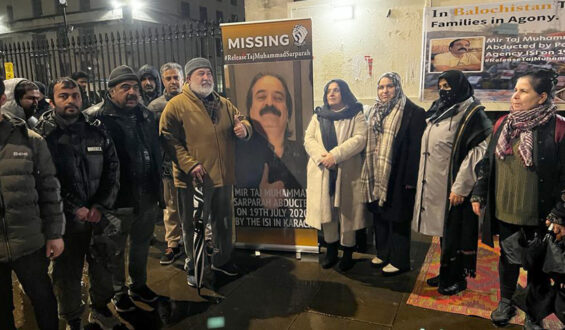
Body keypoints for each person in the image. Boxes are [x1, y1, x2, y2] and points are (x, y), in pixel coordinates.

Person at [471, 69, 565, 328]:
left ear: (542, 97)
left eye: (523, 91)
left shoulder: (558, 127)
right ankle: (506, 301)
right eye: (515, 90)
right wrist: (480, 191)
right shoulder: (504, 124)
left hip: (539, 214)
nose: (514, 96)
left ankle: (535, 314)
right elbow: (487, 162)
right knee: (508, 259)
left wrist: (560, 213)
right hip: (505, 210)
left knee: (538, 269)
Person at [34, 77, 123, 329]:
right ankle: (73, 320)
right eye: (64, 96)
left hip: (98, 217)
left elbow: (113, 169)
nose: (71, 100)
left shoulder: (97, 129)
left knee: (104, 266)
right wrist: (76, 208)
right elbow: (43, 180)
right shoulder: (43, 135)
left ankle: (101, 309)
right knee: (66, 274)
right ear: (52, 100)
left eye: (75, 95)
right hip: (64, 220)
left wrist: (99, 206)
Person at [160, 57, 252, 286]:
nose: (206, 78)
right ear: (189, 79)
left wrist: (245, 129)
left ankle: (222, 261)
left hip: (222, 176)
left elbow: (242, 120)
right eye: (200, 74)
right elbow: (167, 138)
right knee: (193, 226)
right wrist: (189, 164)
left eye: (209, 74)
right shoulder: (176, 105)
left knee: (223, 223)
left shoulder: (223, 103)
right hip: (194, 180)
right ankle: (194, 265)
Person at [84, 65, 162, 312]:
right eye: (125, 87)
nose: (132, 92)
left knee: (141, 244)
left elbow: (154, 151)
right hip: (116, 200)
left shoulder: (146, 115)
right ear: (110, 90)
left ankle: (138, 284)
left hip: (147, 195)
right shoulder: (95, 118)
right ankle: (118, 292)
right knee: (114, 251)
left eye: (135, 87)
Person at [412, 70, 491, 295]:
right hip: (435, 183)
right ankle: (446, 272)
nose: (444, 90)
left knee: (455, 233)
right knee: (444, 233)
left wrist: (460, 187)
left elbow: (477, 152)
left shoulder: (473, 113)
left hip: (454, 186)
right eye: (441, 85)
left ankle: (456, 278)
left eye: (448, 86)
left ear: (460, 86)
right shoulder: (440, 109)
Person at [0, 78, 65, 330]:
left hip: (29, 242)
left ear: (3, 100)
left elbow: (50, 188)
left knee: (44, 302)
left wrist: (54, 233)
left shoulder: (30, 140)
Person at [361, 72, 426, 275]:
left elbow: (416, 149)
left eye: (389, 86)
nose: (385, 91)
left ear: (398, 88)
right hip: (376, 172)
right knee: (379, 214)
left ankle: (399, 261)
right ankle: (383, 252)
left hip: (399, 174)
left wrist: (410, 180)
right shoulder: (374, 111)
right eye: (381, 87)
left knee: (397, 217)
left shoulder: (414, 112)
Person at [304, 79, 368, 271]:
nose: (331, 94)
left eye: (336, 90)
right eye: (328, 91)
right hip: (323, 171)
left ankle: (347, 252)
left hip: (346, 172)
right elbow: (309, 139)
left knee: (346, 213)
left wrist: (336, 155)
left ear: (344, 93)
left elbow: (360, 139)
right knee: (328, 213)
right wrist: (323, 158)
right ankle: (331, 250)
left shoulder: (355, 114)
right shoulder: (319, 116)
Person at [236, 73, 307, 190]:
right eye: (261, 97)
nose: (269, 103)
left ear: (288, 112)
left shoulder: (305, 154)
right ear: (250, 110)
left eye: (278, 98)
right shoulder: (238, 154)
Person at [147, 62, 184, 265]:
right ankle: (173, 243)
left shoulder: (193, 102)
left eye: (176, 77)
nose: (173, 82)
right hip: (167, 165)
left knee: (196, 204)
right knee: (170, 206)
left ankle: (203, 241)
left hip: (192, 164)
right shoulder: (155, 107)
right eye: (168, 78)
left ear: (183, 78)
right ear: (163, 81)